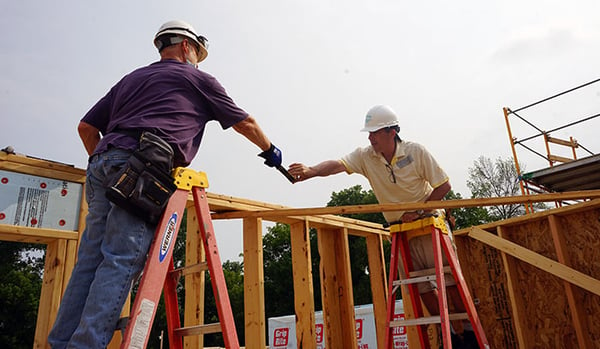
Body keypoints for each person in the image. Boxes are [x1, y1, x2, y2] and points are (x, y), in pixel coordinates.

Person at [48, 20, 283, 348]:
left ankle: (59, 342)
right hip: (141, 166)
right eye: (197, 54)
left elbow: (86, 128)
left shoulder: (131, 79)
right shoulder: (197, 79)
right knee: (120, 259)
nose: (197, 61)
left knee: (89, 260)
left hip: (102, 163)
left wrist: (111, 161)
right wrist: (270, 151)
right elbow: (245, 122)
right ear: (187, 47)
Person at [288, 105, 477, 348]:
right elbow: (337, 164)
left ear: (392, 131)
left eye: (375, 132)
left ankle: (469, 335)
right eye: (369, 133)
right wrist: (311, 171)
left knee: (449, 281)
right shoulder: (367, 157)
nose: (370, 137)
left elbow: (444, 186)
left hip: (430, 223)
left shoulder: (415, 151)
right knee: (421, 287)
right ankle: (449, 333)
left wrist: (418, 211)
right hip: (401, 229)